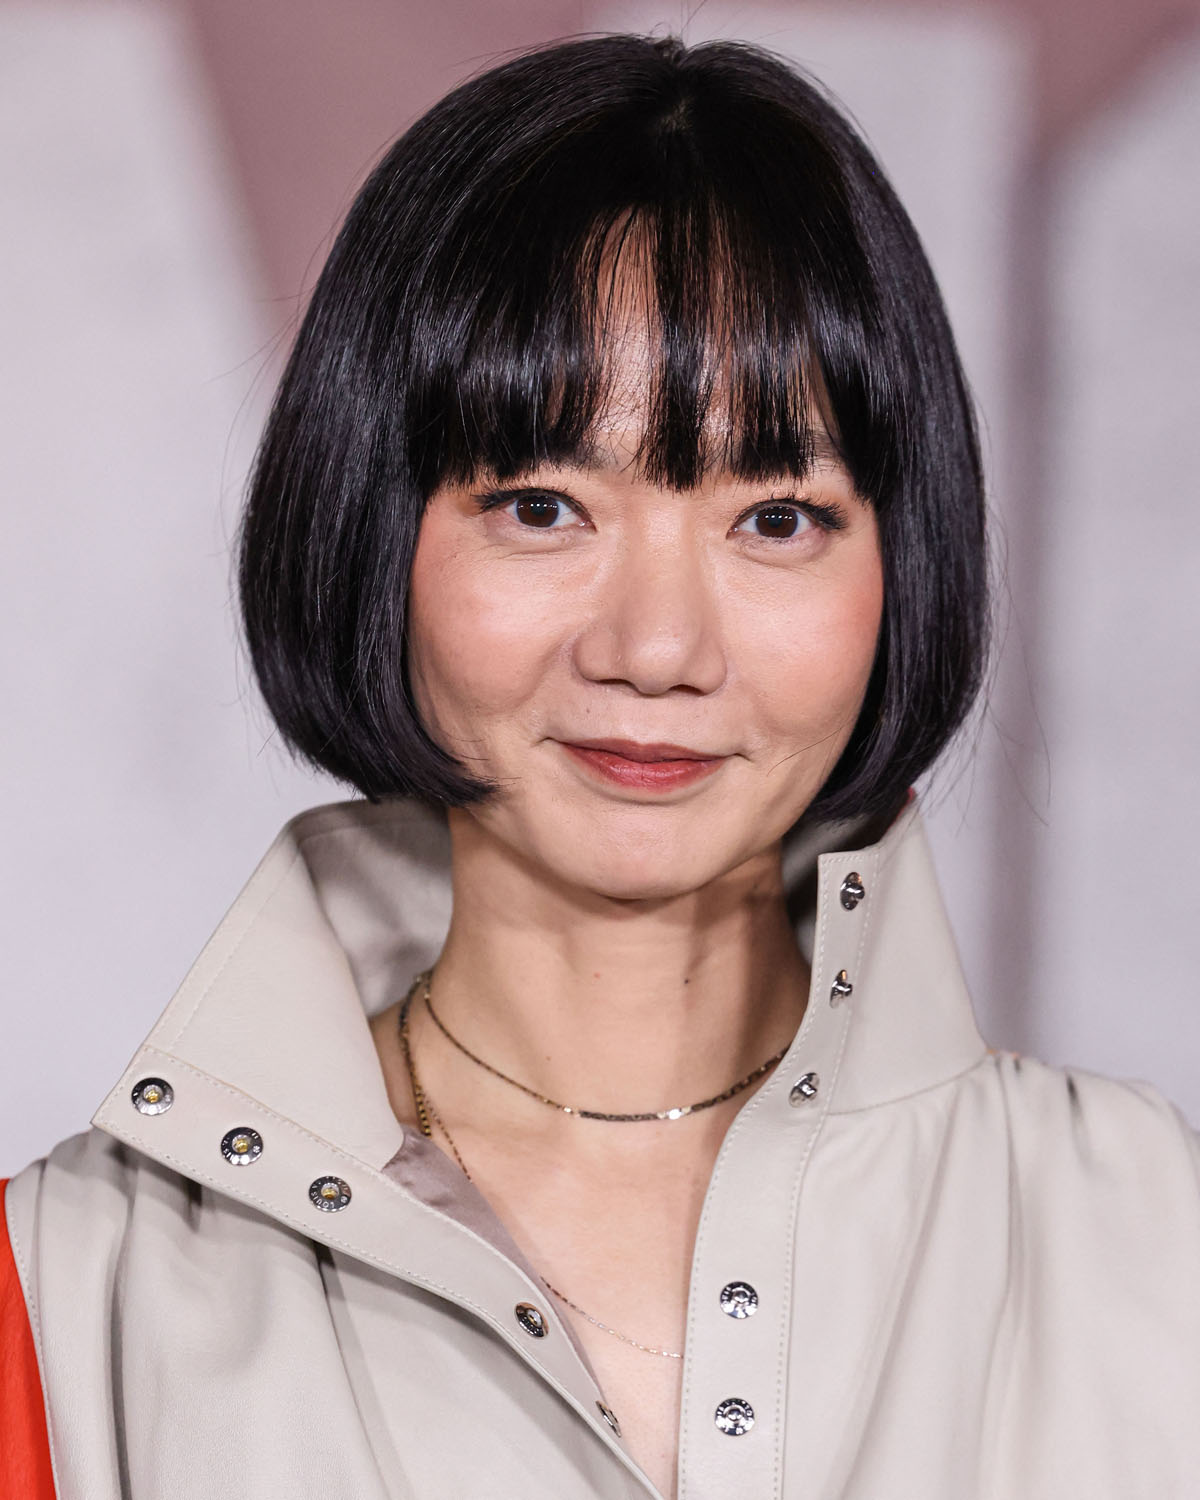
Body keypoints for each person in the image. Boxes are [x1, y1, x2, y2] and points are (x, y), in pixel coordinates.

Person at [3, 32, 1198, 1500]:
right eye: (541, 506)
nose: (656, 648)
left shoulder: (1151, 1236)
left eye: (776, 519)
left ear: (905, 567)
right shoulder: (66, 1297)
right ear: (373, 531)